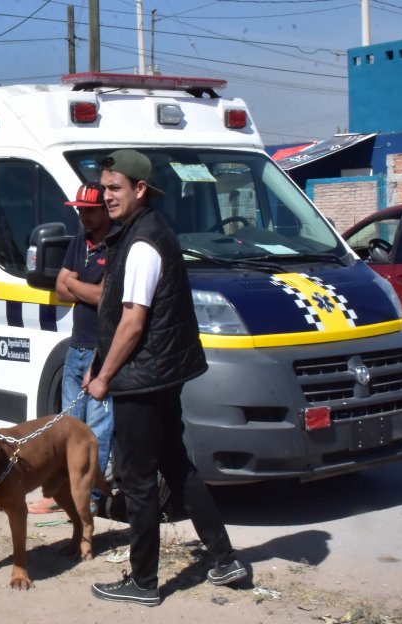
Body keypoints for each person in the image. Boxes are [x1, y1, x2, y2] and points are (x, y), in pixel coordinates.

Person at [84, 150, 249, 607]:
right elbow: (120, 315)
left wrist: (104, 377)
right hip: (157, 372)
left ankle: (143, 582)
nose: (107, 196)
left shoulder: (142, 242)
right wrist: (99, 365)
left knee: (137, 479)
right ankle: (223, 559)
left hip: (143, 377)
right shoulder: (144, 231)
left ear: (140, 189)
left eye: (116, 188)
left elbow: (133, 322)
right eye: (105, 188)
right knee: (176, 464)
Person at [30, 182, 116, 516]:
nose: (83, 215)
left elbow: (102, 296)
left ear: (105, 209)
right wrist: (84, 286)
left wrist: (76, 283)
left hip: (101, 349)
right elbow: (60, 289)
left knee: (96, 431)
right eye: (79, 209)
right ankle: (61, 493)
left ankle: (90, 498)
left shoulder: (117, 243)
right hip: (77, 347)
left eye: (88, 210)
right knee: (65, 427)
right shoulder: (80, 241)